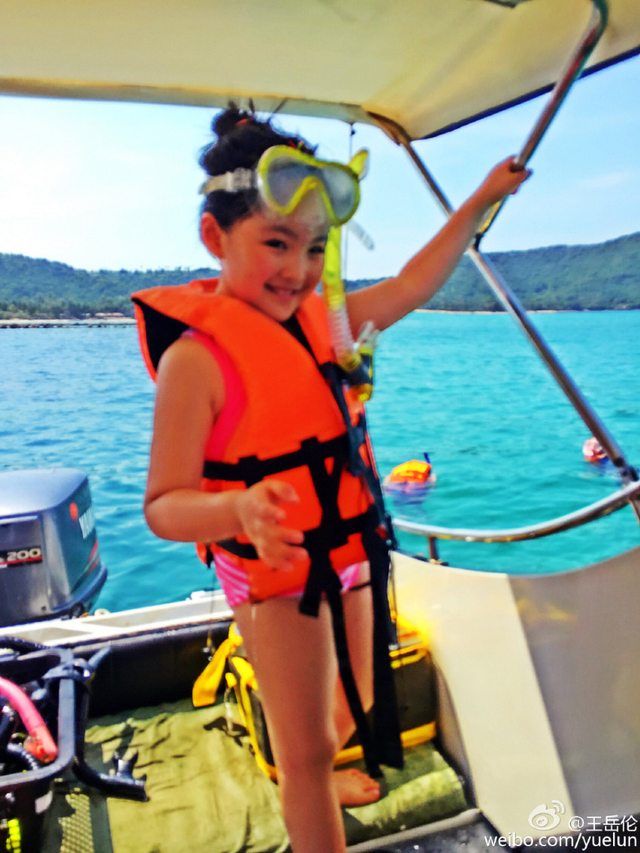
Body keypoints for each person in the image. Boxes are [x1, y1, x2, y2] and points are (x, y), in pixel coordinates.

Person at [133, 106, 529, 853]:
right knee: (308, 748)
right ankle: (308, 779)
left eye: (315, 247)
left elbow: (412, 283)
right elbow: (161, 506)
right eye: (275, 243)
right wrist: (239, 510)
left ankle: (311, 767)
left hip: (349, 547)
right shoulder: (196, 361)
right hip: (275, 571)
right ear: (215, 237)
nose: (298, 268)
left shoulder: (330, 322)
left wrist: (480, 198)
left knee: (360, 697)